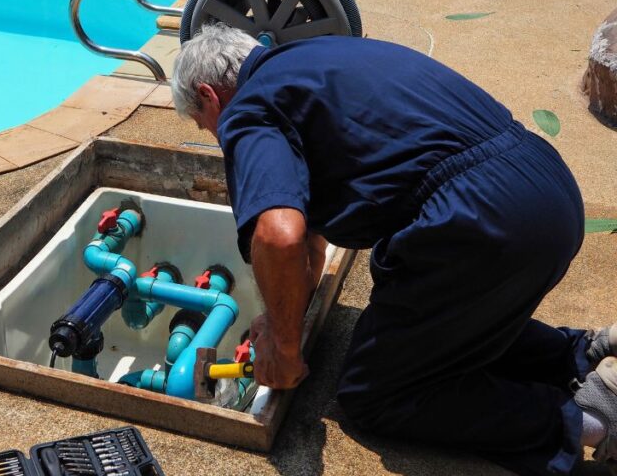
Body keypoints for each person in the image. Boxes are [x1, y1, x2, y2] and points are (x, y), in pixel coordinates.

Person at [170, 23, 613, 475]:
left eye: (204, 124)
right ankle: (584, 352)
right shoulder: (315, 59)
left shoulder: (248, 108)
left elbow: (277, 236)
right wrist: (283, 318)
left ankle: (592, 421)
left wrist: (283, 351)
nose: (215, 136)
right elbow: (309, 244)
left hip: (485, 220)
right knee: (426, 321)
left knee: (375, 391)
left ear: (209, 96)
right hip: (545, 190)